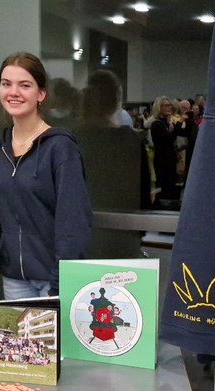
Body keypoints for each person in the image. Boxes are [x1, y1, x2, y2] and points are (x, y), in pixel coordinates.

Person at [0, 52, 91, 391]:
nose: (14, 92)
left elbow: (72, 221)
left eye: (24, 85)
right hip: (14, 275)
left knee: (58, 368)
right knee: (25, 367)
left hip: (53, 275)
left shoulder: (59, 148)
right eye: (7, 83)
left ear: (41, 93)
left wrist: (60, 278)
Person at [73, 69, 151, 259]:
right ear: (116, 100)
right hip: (123, 233)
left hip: (82, 234)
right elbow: (143, 191)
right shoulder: (130, 140)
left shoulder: (72, 138)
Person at [150, 96, 186, 203]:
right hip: (163, 162)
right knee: (165, 190)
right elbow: (168, 139)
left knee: (172, 189)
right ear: (159, 108)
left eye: (170, 105)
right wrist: (179, 123)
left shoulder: (167, 123)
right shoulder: (156, 124)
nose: (169, 107)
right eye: (166, 105)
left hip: (170, 161)